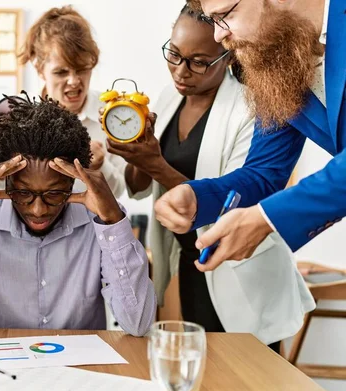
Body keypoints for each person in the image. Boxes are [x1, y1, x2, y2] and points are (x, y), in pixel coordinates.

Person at [105, 5, 314, 349]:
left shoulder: (253, 106)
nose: (181, 71)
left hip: (241, 267)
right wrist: (139, 156)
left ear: (228, 56)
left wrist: (156, 163)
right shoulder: (170, 96)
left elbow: (239, 196)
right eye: (174, 54)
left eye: (199, 61)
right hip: (191, 260)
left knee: (248, 379)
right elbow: (139, 187)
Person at [0, 96, 156, 337]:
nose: (38, 210)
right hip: (3, 366)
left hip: (80, 369)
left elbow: (138, 324)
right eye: (23, 193)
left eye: (54, 193)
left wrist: (114, 222)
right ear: (6, 178)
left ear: (73, 179)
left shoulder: (100, 219)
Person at [154, 0, 346, 272]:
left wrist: (267, 219)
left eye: (225, 15)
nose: (218, 35)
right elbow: (264, 173)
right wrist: (198, 197)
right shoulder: (278, 61)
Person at [0, 6, 127, 197]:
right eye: (61, 72)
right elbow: (0, 192)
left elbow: (119, 191)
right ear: (40, 69)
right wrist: (1, 169)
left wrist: (100, 167)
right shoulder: (16, 113)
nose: (73, 81)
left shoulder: (110, 114)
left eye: (81, 69)